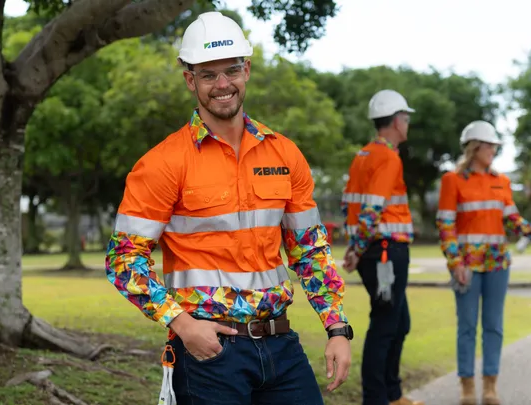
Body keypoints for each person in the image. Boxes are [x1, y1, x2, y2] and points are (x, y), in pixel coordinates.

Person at [104, 11, 353, 405]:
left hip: (281, 346)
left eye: (232, 71)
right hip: (209, 353)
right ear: (190, 80)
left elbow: (309, 252)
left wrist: (337, 328)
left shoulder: (285, 153)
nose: (223, 85)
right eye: (208, 75)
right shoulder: (163, 163)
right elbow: (123, 262)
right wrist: (183, 325)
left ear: (247, 70)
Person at [436, 120, 531, 405]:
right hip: (467, 265)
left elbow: (513, 220)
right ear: (474, 147)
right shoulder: (453, 180)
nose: (494, 151)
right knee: (467, 325)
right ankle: (467, 387)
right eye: (490, 146)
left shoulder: (502, 181)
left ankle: (490, 386)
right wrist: (455, 262)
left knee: (494, 325)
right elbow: (446, 225)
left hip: (498, 263)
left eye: (496, 147)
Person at [341, 89, 421, 405]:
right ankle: (377, 398)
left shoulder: (364, 154)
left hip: (375, 249)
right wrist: (358, 249)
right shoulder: (387, 157)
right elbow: (373, 211)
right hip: (385, 251)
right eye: (406, 117)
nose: (408, 122)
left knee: (399, 323)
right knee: (386, 325)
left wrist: (355, 248)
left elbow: (356, 206)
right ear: (396, 120)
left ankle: (392, 393)